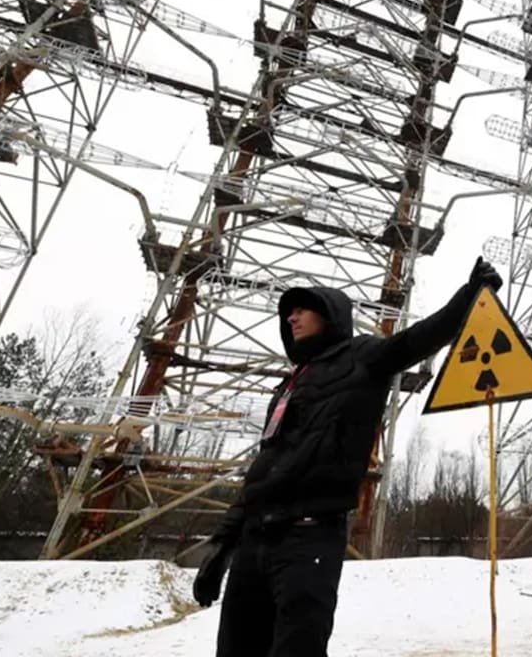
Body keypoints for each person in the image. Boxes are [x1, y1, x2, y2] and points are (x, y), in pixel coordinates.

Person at [191, 257, 505, 656]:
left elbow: (417, 339)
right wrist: (222, 546)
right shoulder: (288, 387)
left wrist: (468, 298)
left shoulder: (363, 358)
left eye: (302, 309)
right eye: (289, 313)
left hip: (309, 538)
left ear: (330, 314)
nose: (292, 318)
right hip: (254, 542)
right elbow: (261, 470)